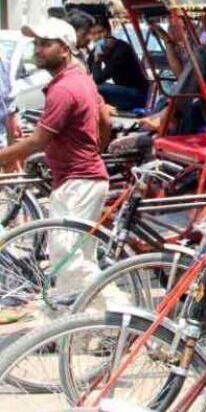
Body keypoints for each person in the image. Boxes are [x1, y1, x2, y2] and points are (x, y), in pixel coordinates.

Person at [0, 17, 112, 308]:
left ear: (64, 49)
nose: (38, 50)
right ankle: (70, 324)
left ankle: (124, 318)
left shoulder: (64, 89)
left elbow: (38, 141)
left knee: (69, 257)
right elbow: (105, 119)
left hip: (79, 181)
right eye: (36, 44)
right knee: (73, 254)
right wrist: (93, 148)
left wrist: (3, 157)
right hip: (83, 177)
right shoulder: (81, 78)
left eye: (45, 44)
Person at [88, 18, 150, 111]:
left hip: (138, 94)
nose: (97, 37)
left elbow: (98, 79)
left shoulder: (121, 49)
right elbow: (88, 68)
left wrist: (98, 60)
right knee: (86, 85)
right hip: (123, 90)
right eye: (93, 34)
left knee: (95, 88)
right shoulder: (99, 48)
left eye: (100, 32)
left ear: (109, 31)